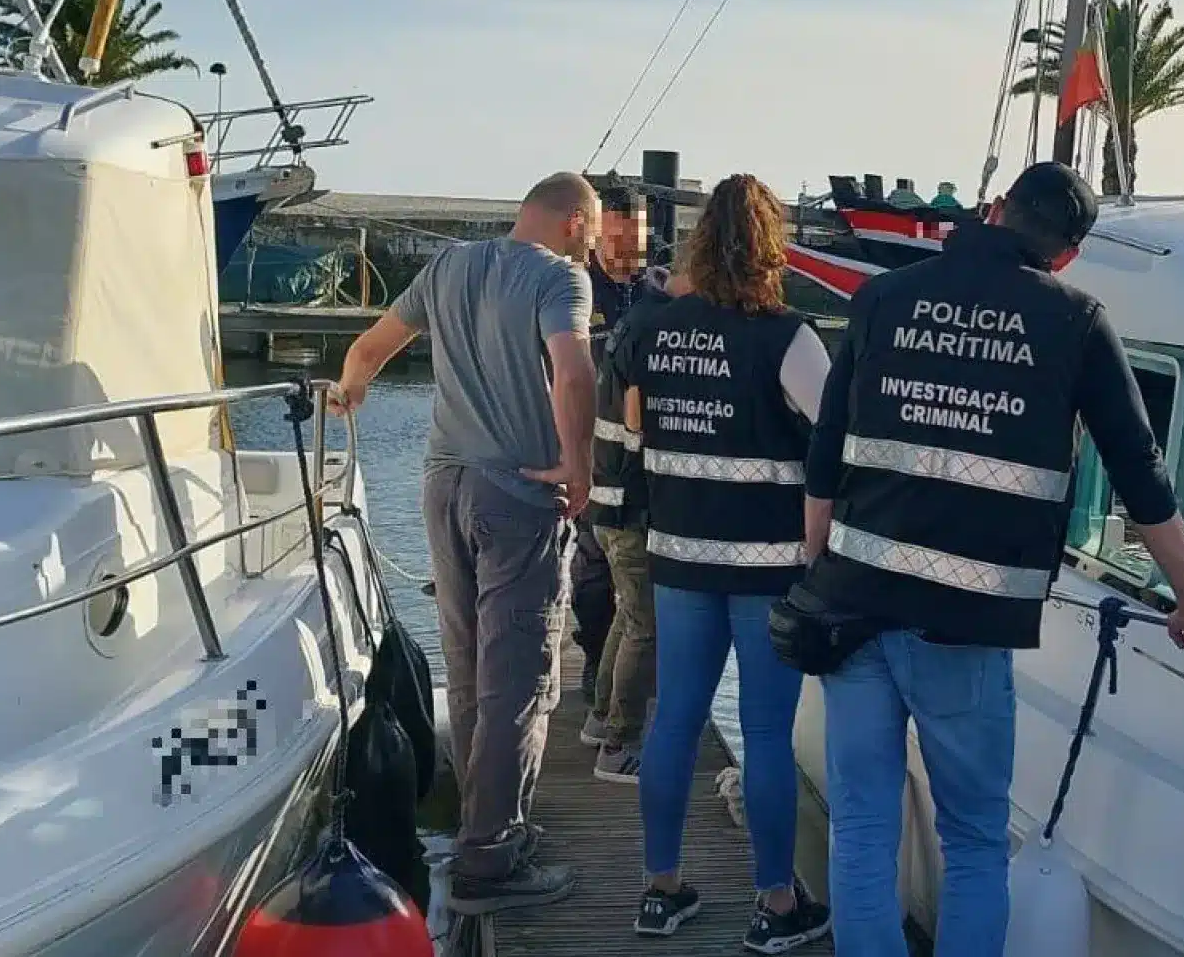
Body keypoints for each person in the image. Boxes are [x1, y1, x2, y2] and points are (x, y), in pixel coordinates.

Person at [798, 161, 1184, 956]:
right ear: (1067, 254)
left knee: (863, 829)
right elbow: (1141, 473)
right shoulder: (1073, 319)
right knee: (970, 842)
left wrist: (813, 574)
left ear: (993, 210)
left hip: (850, 606)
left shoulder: (882, 299)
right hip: (963, 628)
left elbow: (825, 458)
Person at [330, 171, 600, 916]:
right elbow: (573, 374)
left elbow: (371, 348)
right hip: (515, 494)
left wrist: (350, 391)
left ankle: (486, 828)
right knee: (518, 679)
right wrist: (579, 467)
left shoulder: (448, 266)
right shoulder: (561, 279)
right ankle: (491, 860)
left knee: (469, 663)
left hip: (442, 487)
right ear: (575, 223)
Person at [612, 174, 834, 951]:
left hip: (678, 559)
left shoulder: (653, 332)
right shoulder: (787, 338)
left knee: (674, 716)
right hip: (771, 567)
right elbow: (836, 447)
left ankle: (659, 888)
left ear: (702, 243)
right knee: (767, 734)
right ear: (772, 248)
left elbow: (633, 437)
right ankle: (776, 903)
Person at [582, 206, 681, 785]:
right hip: (621, 491)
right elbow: (638, 417)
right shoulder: (639, 325)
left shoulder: (634, 315)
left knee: (627, 609)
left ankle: (600, 718)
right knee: (642, 621)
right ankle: (617, 744)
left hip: (611, 490)